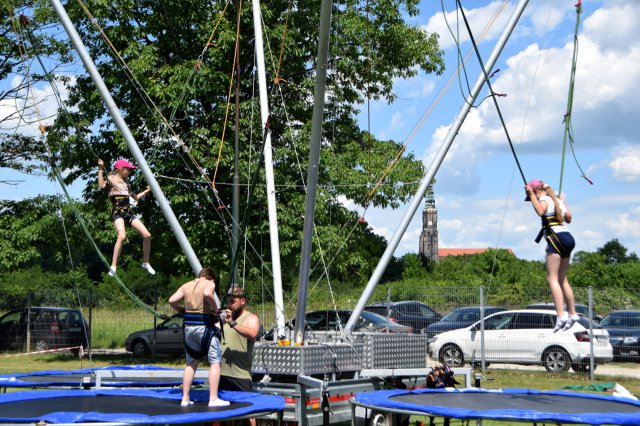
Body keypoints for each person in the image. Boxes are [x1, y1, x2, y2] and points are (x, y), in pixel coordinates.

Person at [168, 267, 229, 407]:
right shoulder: (209, 283)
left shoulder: (186, 285)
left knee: (191, 363)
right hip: (204, 327)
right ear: (211, 278)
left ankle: (185, 398)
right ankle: (213, 398)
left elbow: (171, 300)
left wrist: (180, 310)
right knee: (215, 361)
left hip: (189, 327)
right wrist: (217, 310)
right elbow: (208, 294)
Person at [525, 179, 578, 332]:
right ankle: (573, 313)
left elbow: (541, 212)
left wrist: (532, 196)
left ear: (535, 191)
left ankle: (561, 315)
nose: (530, 200)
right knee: (562, 279)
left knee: (552, 278)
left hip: (556, 237)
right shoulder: (557, 200)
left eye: (530, 196)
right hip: (568, 237)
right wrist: (563, 202)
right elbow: (569, 218)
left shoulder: (543, 199)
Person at [98, 158, 155, 276]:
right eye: (127, 170)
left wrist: (148, 191)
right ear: (120, 169)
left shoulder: (127, 183)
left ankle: (146, 262)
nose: (129, 172)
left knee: (147, 235)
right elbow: (101, 185)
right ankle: (113, 266)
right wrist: (100, 169)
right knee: (122, 236)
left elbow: (136, 197)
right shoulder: (111, 178)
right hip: (117, 211)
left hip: (128, 212)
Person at [220, 287, 260, 425]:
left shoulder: (251, 318)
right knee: (226, 413)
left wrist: (232, 323)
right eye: (228, 301)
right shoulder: (224, 319)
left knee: (248, 412)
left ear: (243, 301)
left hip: (240, 375)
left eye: (233, 301)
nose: (230, 304)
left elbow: (253, 333)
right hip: (223, 374)